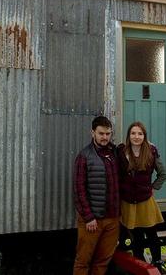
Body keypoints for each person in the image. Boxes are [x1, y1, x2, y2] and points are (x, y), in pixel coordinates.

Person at [117, 121, 166, 272]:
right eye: (133, 133)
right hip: (128, 201)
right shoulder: (121, 151)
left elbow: (163, 174)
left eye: (140, 133)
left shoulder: (151, 151)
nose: (136, 136)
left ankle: (158, 262)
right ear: (129, 135)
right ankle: (139, 264)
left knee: (152, 233)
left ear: (144, 136)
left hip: (145, 200)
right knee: (137, 235)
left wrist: (152, 188)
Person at [73, 115, 120, 275]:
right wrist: (88, 217)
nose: (105, 137)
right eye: (101, 133)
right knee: (83, 261)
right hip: (92, 220)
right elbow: (79, 189)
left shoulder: (115, 153)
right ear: (93, 132)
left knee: (102, 262)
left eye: (108, 134)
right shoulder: (84, 156)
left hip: (112, 219)